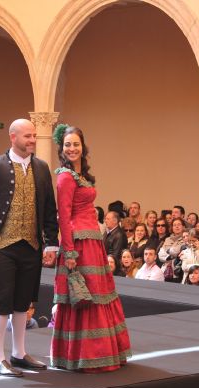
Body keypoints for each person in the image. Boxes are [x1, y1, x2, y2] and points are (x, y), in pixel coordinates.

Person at [0, 118, 59, 377]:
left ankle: (18, 353)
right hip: (2, 246)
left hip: (31, 245)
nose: (32, 140)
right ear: (12, 137)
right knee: (1, 302)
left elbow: (50, 209)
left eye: (34, 136)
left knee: (22, 301)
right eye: (28, 136)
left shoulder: (41, 167)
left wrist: (51, 243)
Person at [51, 124, 130, 373]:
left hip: (92, 242)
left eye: (76, 144)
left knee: (98, 294)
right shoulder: (64, 176)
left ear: (83, 146)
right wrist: (70, 252)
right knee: (84, 296)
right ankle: (84, 357)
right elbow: (63, 217)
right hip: (78, 244)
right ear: (61, 148)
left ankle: (104, 354)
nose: (72, 148)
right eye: (67, 144)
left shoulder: (81, 175)